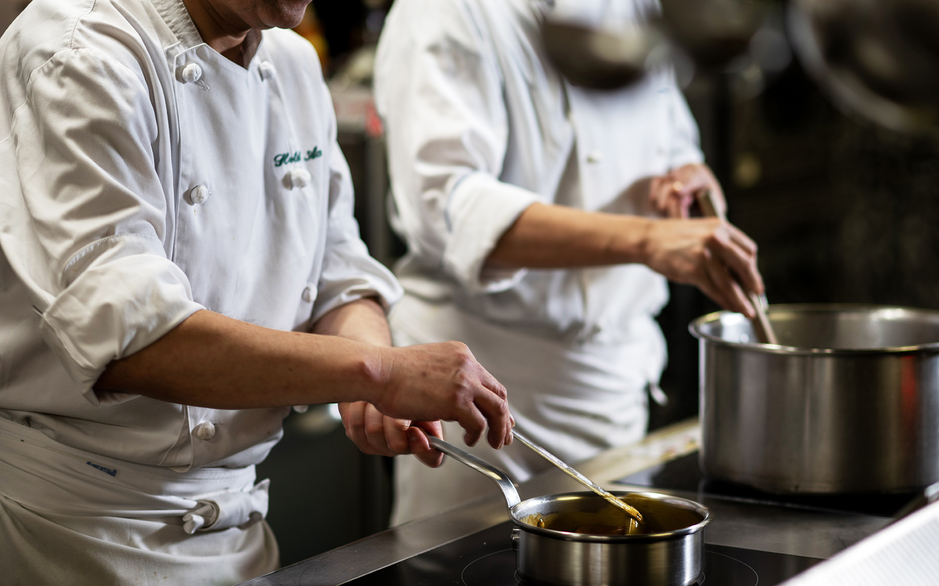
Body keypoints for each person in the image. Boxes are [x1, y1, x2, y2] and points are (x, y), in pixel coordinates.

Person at [0, 0, 513, 583]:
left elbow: (339, 271)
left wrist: (368, 381)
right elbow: (131, 339)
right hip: (80, 531)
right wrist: (377, 370)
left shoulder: (292, 63)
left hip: (239, 529)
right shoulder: (79, 50)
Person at [358, 0, 765, 524]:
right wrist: (648, 238)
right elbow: (451, 210)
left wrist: (689, 177)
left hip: (617, 386)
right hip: (486, 401)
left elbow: (670, 135)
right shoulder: (444, 12)